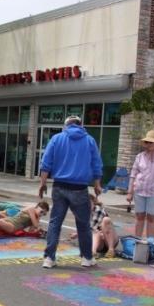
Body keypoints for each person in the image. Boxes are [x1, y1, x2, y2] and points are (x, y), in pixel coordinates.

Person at [39, 115, 103, 269]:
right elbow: (96, 163)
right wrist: (97, 183)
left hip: (59, 186)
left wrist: (42, 183)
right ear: (81, 125)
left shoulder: (57, 138)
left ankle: (49, 258)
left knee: (55, 223)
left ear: (65, 125)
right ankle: (87, 258)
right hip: (79, 188)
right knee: (83, 224)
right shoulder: (89, 140)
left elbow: (46, 162)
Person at [68, 194, 119, 258]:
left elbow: (92, 226)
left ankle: (111, 250)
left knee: (106, 220)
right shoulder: (82, 214)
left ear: (93, 202)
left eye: (89, 202)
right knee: (95, 231)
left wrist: (77, 234)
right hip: (99, 241)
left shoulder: (98, 210)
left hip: (109, 238)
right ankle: (93, 252)